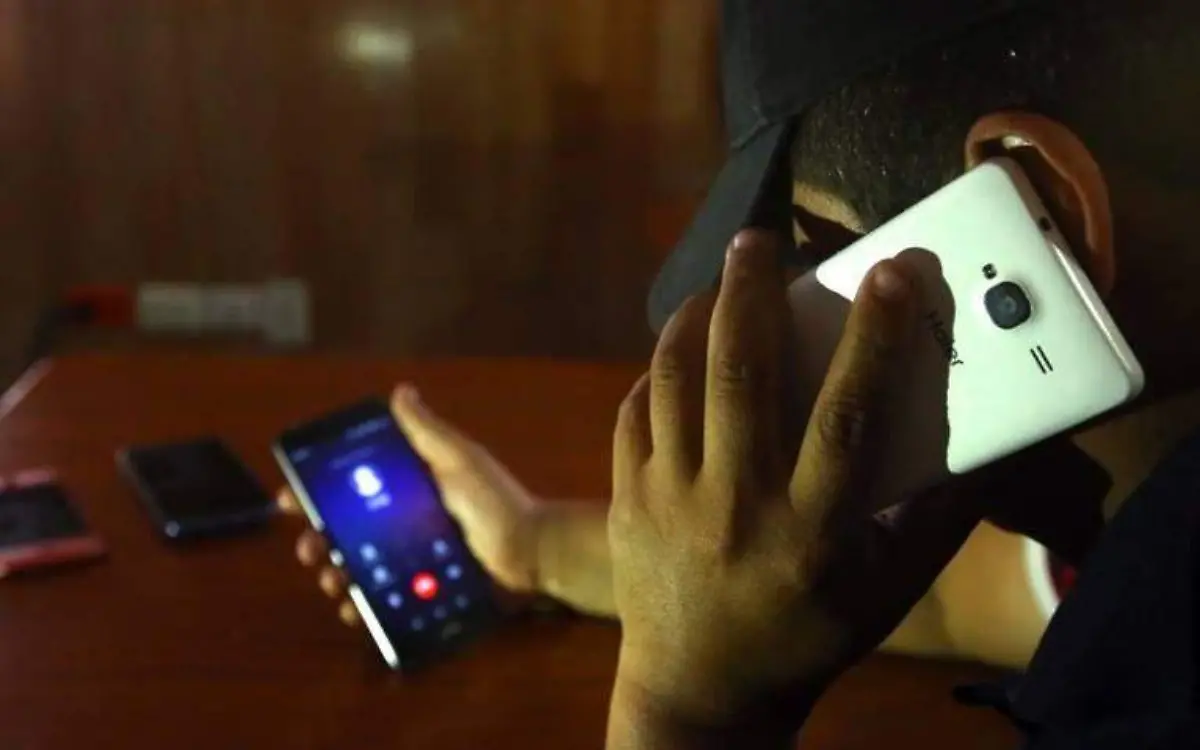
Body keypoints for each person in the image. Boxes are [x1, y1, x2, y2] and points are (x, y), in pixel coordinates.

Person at [281, 0, 1200, 746]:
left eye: (828, 259)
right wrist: (535, 547)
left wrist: (685, 713)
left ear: (1048, 209)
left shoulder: (1153, 699)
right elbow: (973, 603)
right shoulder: (1130, 536)